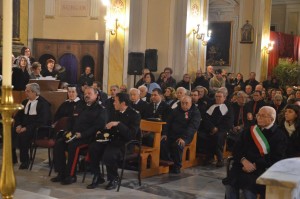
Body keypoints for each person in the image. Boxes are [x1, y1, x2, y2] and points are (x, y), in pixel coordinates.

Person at [224, 106, 287, 199]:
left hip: (261, 169)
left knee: (248, 188)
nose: (259, 117)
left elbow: (277, 158)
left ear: (272, 118)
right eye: (258, 115)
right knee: (230, 184)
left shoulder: (279, 135)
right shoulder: (249, 130)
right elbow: (236, 149)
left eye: (263, 115)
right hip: (241, 165)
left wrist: (255, 165)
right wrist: (243, 161)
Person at [51, 87, 107, 185]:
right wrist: (68, 131)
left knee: (74, 146)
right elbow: (71, 120)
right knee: (59, 143)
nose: (87, 95)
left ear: (96, 95)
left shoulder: (100, 109)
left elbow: (98, 127)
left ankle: (71, 175)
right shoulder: (80, 105)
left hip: (88, 137)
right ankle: (61, 173)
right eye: (85, 93)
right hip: (74, 134)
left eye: (89, 93)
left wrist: (82, 134)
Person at [87, 93, 141, 190]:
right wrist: (102, 131)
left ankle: (113, 178)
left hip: (125, 144)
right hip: (112, 140)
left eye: (115, 101)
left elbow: (130, 135)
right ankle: (97, 176)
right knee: (93, 147)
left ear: (123, 103)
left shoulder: (135, 115)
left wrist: (118, 124)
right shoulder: (115, 112)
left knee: (109, 154)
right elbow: (109, 127)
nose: (113, 103)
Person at [13, 83, 51, 168]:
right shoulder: (25, 102)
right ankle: (13, 158)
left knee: (23, 135)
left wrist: (26, 128)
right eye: (26, 91)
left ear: (35, 92)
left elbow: (43, 121)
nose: (25, 93)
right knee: (10, 133)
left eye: (28, 91)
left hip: (38, 129)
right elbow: (18, 116)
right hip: (23, 127)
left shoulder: (43, 104)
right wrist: (18, 125)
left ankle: (25, 161)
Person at [160, 96, 201, 173]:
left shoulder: (195, 112)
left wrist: (184, 138)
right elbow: (168, 122)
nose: (184, 105)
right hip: (172, 134)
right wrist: (165, 134)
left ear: (191, 103)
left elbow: (192, 127)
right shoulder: (176, 110)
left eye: (186, 103)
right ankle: (169, 161)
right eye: (182, 103)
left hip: (185, 136)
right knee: (163, 142)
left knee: (178, 144)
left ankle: (177, 166)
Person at [201, 89, 234, 167]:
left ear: (224, 98)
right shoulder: (210, 105)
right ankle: (209, 157)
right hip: (210, 128)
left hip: (222, 129)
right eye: (216, 96)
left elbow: (229, 121)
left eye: (220, 97)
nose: (218, 98)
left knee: (217, 137)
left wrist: (217, 128)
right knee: (202, 135)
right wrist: (211, 127)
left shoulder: (228, 107)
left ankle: (220, 158)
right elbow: (205, 118)